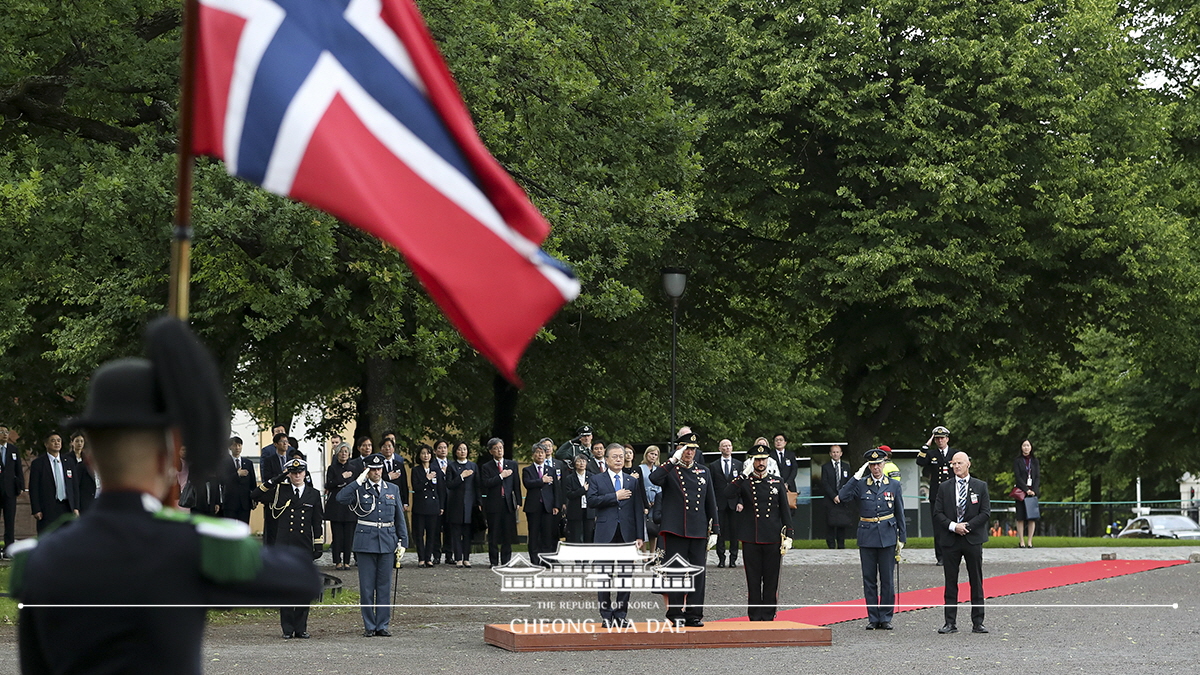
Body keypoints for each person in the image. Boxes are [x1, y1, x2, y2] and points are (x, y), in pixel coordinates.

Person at [11, 316, 320, 674]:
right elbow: (302, 579)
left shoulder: (39, 560)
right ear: (167, 459)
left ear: (91, 461)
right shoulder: (190, 548)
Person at [650, 431, 719, 628]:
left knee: (698, 572)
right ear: (679, 448)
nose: (690, 452)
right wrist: (672, 460)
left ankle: (694, 613)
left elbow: (710, 501)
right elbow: (655, 478)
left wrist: (715, 528)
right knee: (677, 572)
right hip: (676, 528)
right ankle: (675, 611)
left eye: (693, 449)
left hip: (698, 528)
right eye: (686, 448)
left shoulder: (703, 471)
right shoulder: (670, 469)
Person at [337, 453, 409, 637]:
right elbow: (340, 498)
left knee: (384, 586)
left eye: (379, 469)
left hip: (387, 540)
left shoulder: (392, 488)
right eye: (372, 469)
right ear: (366, 470)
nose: (376, 472)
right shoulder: (359, 488)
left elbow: (399, 517)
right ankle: (369, 625)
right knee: (367, 587)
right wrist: (357, 481)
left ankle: (382, 624)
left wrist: (403, 541)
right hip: (365, 542)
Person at [838, 448, 907, 630]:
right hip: (867, 535)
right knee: (869, 579)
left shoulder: (893, 485)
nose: (876, 467)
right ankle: (872, 617)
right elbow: (843, 496)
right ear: (868, 466)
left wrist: (902, 537)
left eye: (879, 464)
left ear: (884, 464)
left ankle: (885, 617)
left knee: (887, 579)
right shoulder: (861, 484)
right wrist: (855, 476)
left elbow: (899, 511)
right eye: (872, 464)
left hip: (887, 535)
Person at [256, 458, 324, 638]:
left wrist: (318, 543)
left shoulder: (313, 494)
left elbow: (317, 522)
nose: (297, 475)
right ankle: (287, 628)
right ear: (289, 474)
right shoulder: (280, 491)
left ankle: (301, 627)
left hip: (303, 545)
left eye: (300, 472)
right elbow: (255, 495)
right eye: (293, 473)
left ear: (305, 473)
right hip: (284, 545)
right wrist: (277, 479)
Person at [725, 443, 793, 621]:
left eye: (763, 459)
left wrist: (789, 535)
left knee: (771, 580)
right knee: (753, 580)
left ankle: (769, 614)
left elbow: (785, 510)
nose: (761, 462)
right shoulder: (745, 481)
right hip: (751, 536)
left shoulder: (776, 481)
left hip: (772, 536)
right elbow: (727, 493)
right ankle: (755, 615)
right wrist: (743, 474)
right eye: (757, 459)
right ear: (752, 461)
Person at [588, 443, 645, 628]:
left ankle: (621, 614)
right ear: (606, 459)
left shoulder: (632, 481)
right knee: (604, 576)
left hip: (627, 534)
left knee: (625, 576)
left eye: (621, 456)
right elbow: (591, 501)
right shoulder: (597, 479)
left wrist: (639, 535)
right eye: (615, 456)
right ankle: (606, 615)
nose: (619, 459)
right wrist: (615, 496)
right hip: (605, 533)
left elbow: (638, 509)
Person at [933, 451, 990, 634]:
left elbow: (985, 513)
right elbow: (938, 513)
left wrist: (968, 526)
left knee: (976, 580)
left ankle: (978, 622)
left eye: (959, 463)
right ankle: (950, 622)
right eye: (954, 463)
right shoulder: (944, 487)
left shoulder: (980, 486)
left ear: (968, 464)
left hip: (972, 539)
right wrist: (953, 526)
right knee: (951, 581)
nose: (956, 466)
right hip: (951, 540)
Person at [916, 425, 956, 565]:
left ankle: (953, 554)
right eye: (937, 438)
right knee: (938, 527)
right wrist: (926, 445)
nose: (940, 441)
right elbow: (920, 461)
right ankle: (941, 556)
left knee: (952, 525)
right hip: (937, 495)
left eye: (942, 438)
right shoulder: (932, 454)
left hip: (952, 495)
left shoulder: (954, 453)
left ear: (947, 439)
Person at [478, 438, 520, 566]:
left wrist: (518, 501)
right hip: (493, 504)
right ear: (491, 451)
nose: (499, 450)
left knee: (508, 534)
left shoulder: (512, 464)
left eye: (501, 447)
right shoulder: (486, 467)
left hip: (508, 503)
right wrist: (501, 476)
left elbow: (516, 484)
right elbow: (486, 483)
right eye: (496, 448)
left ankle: (506, 561)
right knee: (493, 534)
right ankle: (494, 561)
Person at [28, 431, 79, 534]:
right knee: (47, 536)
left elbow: (74, 486)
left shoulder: (68, 462)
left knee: (67, 536)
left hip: (66, 506)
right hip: (48, 508)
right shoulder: (38, 463)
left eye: (59, 440)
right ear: (46, 444)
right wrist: (36, 509)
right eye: (53, 441)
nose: (57, 443)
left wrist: (76, 507)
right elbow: (34, 488)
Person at [523, 442, 559, 566]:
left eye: (542, 452)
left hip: (548, 507)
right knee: (533, 534)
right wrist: (541, 481)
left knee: (547, 534)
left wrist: (556, 505)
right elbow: (528, 484)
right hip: (533, 506)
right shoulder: (527, 470)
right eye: (537, 452)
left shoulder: (551, 470)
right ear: (533, 455)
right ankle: (534, 560)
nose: (540, 455)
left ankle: (546, 560)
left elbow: (556, 489)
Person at [708, 439, 743, 567]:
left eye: (729, 446)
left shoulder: (739, 464)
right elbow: (711, 486)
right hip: (720, 502)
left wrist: (740, 501)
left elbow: (741, 485)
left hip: (734, 502)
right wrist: (713, 503)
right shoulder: (714, 465)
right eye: (724, 446)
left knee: (734, 532)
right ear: (720, 449)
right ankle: (721, 558)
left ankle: (733, 559)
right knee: (720, 531)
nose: (727, 448)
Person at [410, 444, 446, 568]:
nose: (426, 456)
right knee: (419, 533)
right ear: (419, 456)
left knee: (432, 534)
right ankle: (421, 558)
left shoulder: (436, 470)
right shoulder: (416, 470)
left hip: (433, 506)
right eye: (423, 453)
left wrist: (441, 506)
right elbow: (417, 487)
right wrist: (427, 478)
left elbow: (441, 489)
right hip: (420, 506)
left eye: (428, 453)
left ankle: (428, 558)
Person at [444, 441, 478, 567]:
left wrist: (478, 502)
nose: (462, 451)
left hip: (470, 504)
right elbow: (449, 484)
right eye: (459, 449)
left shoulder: (473, 466)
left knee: (467, 533)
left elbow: (477, 485)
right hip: (455, 504)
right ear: (455, 452)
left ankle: (466, 558)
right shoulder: (451, 466)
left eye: (464, 449)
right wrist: (461, 476)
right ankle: (458, 558)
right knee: (456, 533)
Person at [325, 443, 358, 570]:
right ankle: (337, 561)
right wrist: (341, 478)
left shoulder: (353, 468)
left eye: (346, 451)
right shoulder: (332, 468)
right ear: (337, 453)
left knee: (349, 536)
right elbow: (329, 484)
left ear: (349, 454)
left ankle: (347, 561)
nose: (343, 454)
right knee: (337, 535)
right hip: (336, 505)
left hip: (349, 505)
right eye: (341, 451)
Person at [820, 444, 855, 549]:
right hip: (830, 500)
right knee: (830, 523)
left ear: (841, 453)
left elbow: (849, 482)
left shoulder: (846, 466)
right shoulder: (825, 467)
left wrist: (842, 495)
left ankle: (841, 545)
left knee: (841, 522)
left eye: (837, 452)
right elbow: (825, 483)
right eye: (833, 452)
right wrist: (834, 496)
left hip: (842, 499)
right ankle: (831, 545)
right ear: (830, 454)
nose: (835, 454)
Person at [260, 432, 291, 544]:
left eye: (286, 442)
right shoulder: (269, 460)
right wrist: (282, 475)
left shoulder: (291, 459)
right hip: (275, 496)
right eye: (282, 442)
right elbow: (268, 478)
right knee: (273, 527)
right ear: (276, 444)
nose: (285, 444)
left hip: (289, 495)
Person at [0, 423, 24, 556]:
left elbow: (18, 470)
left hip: (10, 490)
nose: (4, 434)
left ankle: (8, 549)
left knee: (9, 521)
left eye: (6, 432)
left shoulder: (13, 449)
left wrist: (20, 486)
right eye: (1, 432)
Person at [1013, 440, 1041, 548]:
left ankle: (1030, 541)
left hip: (1032, 493)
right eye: (1024, 445)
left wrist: (1034, 490)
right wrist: (1025, 489)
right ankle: (1021, 541)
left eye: (1028, 445)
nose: (1026, 447)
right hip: (1021, 492)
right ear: (1021, 447)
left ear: (1031, 447)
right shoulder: (1018, 461)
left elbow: (1037, 476)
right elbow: (1018, 476)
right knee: (1020, 517)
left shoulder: (1035, 461)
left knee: (1031, 517)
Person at [224, 437, 257, 524]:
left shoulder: (248, 463)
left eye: (239, 445)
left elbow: (252, 483)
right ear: (230, 447)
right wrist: (237, 474)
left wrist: (254, 499)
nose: (237, 448)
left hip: (245, 503)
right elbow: (223, 480)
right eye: (235, 445)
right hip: (230, 502)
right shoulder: (224, 463)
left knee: (244, 527)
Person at [563, 453, 595, 543]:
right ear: (574, 463)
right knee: (576, 536)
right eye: (579, 461)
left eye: (583, 461)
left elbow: (594, 492)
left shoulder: (592, 477)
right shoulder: (569, 478)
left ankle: (587, 557)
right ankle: (577, 556)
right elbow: (569, 494)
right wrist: (582, 490)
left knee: (589, 535)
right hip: (575, 510)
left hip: (589, 510)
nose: (581, 463)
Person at [65, 431, 99, 514]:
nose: (79, 443)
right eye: (77, 441)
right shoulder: (67, 458)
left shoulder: (86, 458)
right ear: (72, 443)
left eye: (81, 441)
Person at [433, 439, 453, 564]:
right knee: (435, 529)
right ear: (435, 451)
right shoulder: (432, 465)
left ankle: (449, 554)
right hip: (437, 500)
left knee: (449, 528)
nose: (443, 450)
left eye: (445, 447)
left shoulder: (452, 464)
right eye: (440, 448)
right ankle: (436, 555)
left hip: (451, 501)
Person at [639, 445, 662, 553]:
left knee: (653, 528)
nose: (653, 456)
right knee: (643, 527)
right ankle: (644, 553)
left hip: (655, 500)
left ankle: (652, 553)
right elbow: (639, 485)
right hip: (643, 500)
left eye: (655, 455)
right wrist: (645, 502)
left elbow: (660, 486)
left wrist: (655, 501)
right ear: (646, 454)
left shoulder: (659, 469)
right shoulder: (640, 468)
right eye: (651, 454)